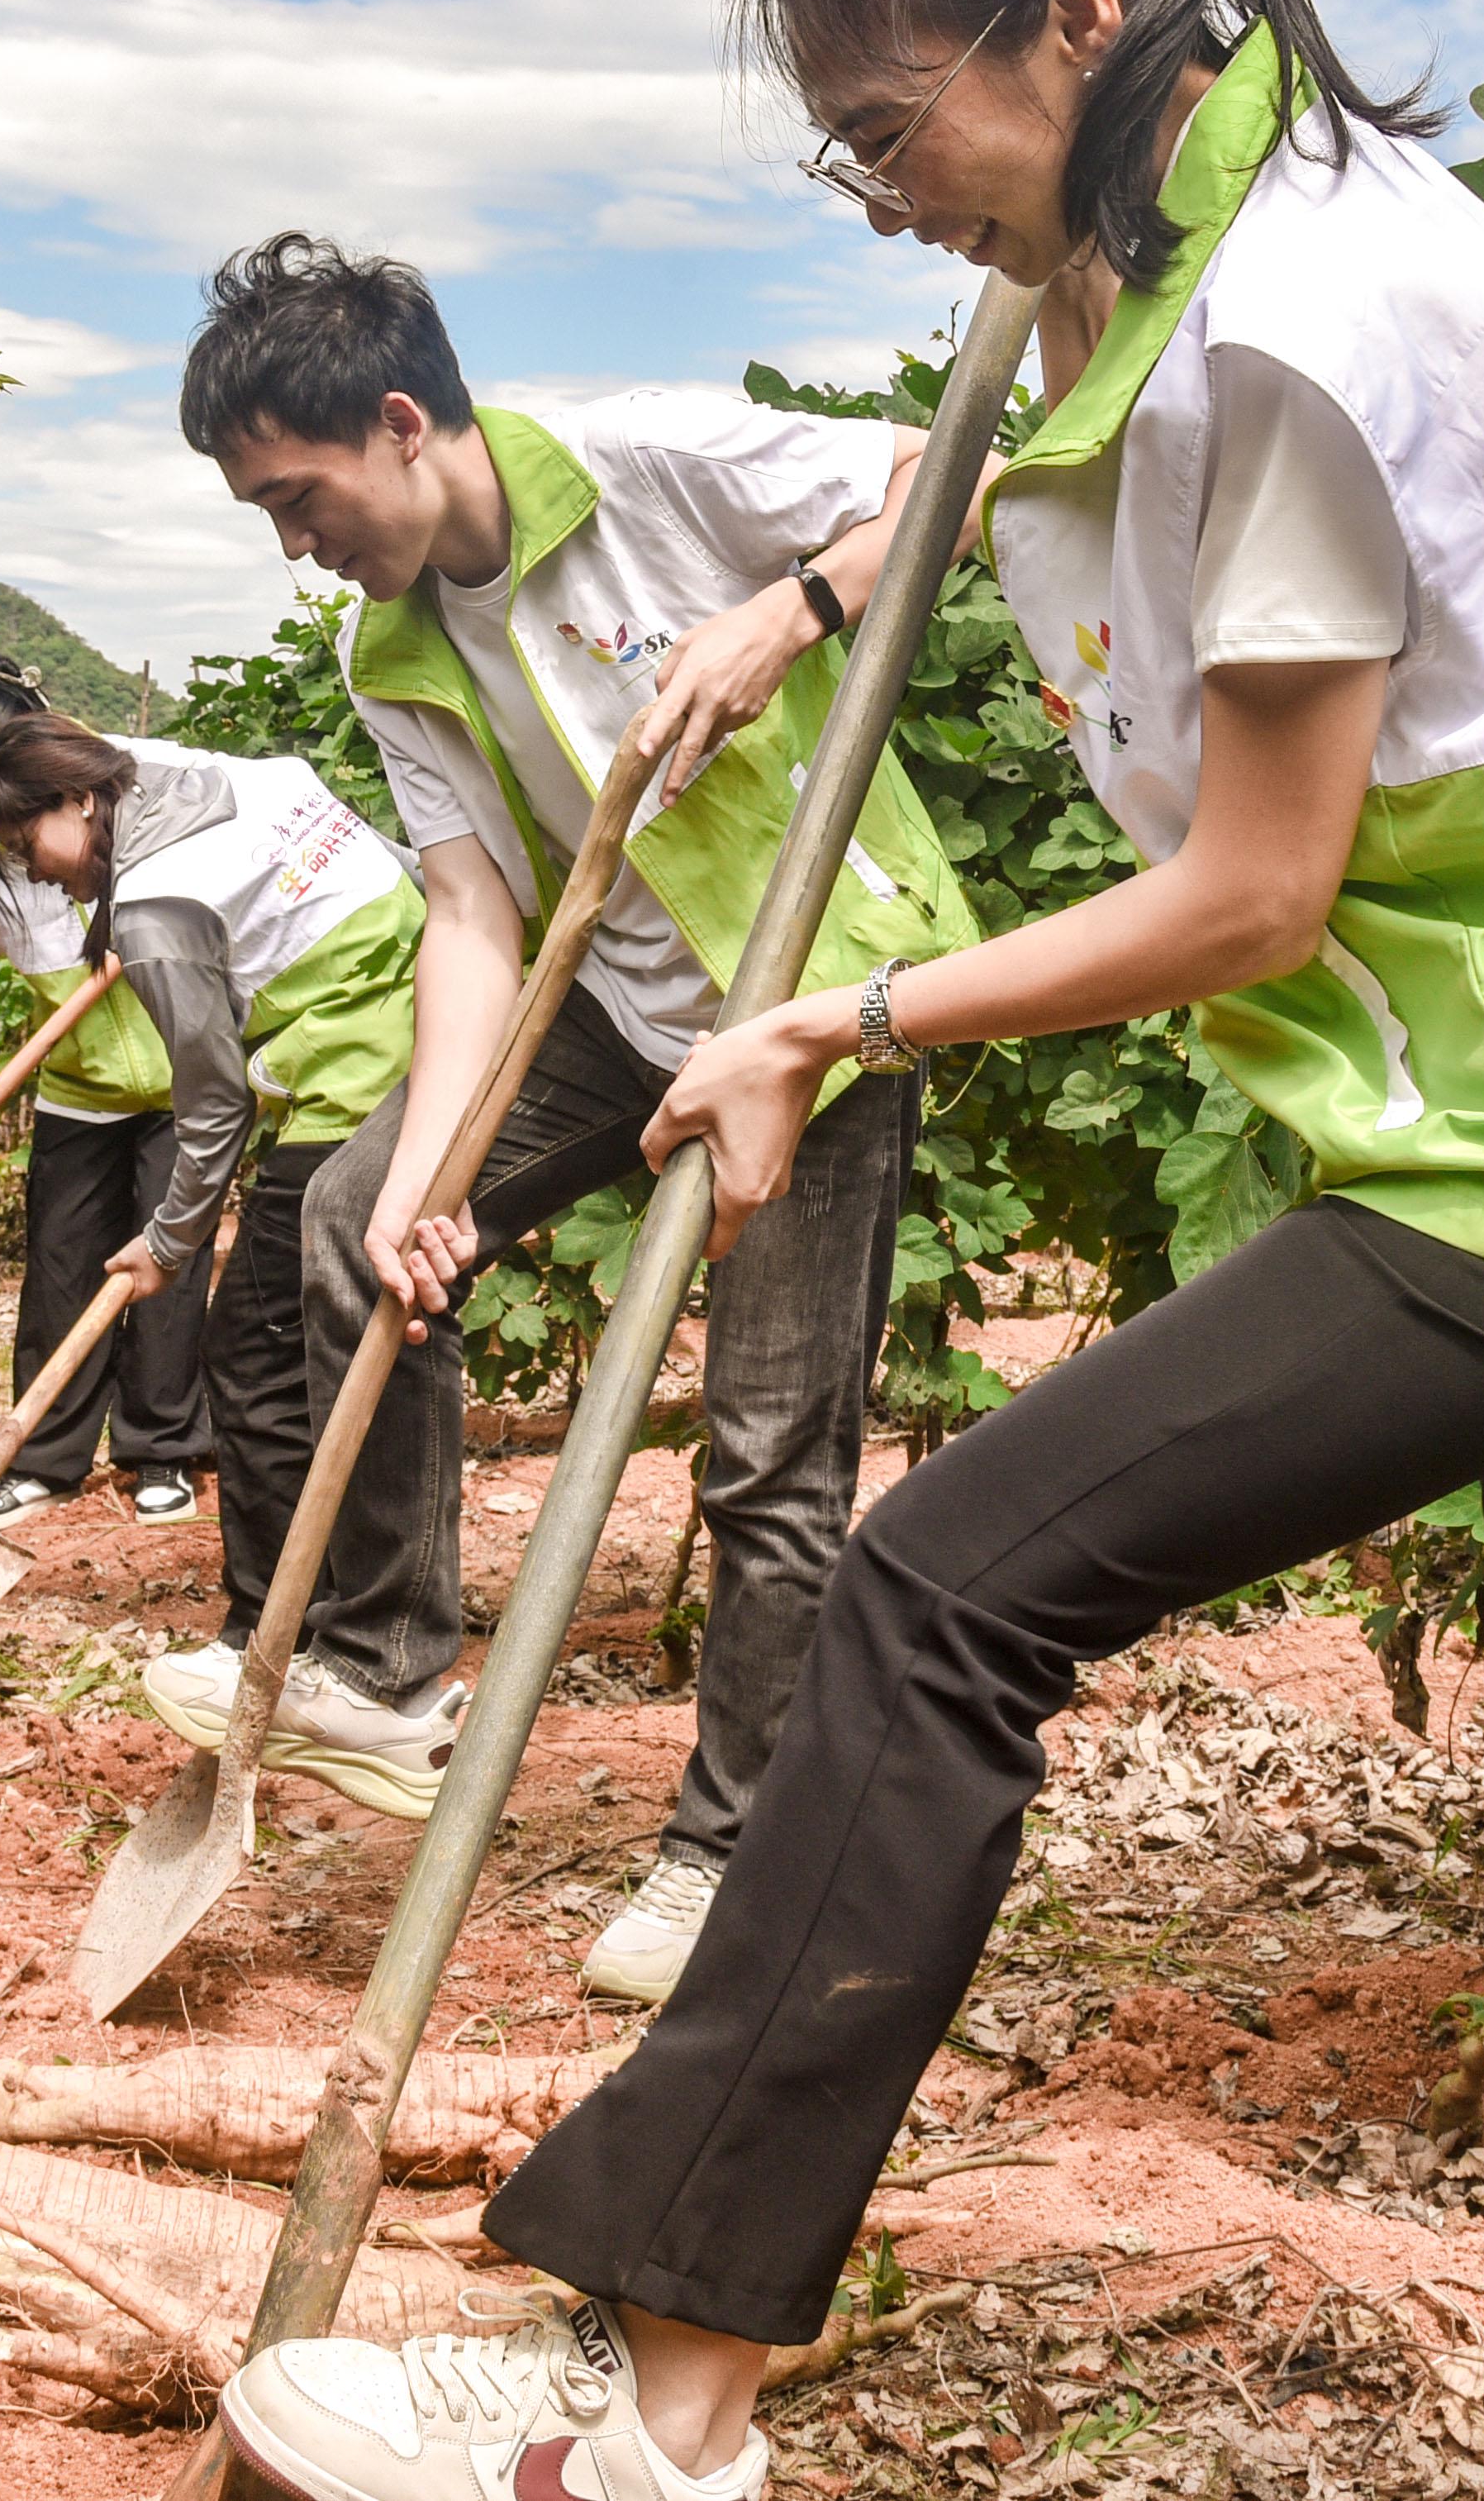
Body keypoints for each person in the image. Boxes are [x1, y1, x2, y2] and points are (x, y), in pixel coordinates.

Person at [216, 0, 1484, 2501]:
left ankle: (653, 2398)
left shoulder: (1298, 322)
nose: (876, 196)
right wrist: (907, 465)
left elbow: (1254, 896)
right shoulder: (1162, 262)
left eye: (889, 130)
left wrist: (829, 1023)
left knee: (932, 1593)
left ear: (1077, 19)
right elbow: (1020, 500)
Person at [161, 232, 980, 2002]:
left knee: (768, 1451)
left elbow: (954, 470)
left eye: (297, 497)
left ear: (400, 423)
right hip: (609, 1011)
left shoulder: (646, 460)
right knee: (353, 1221)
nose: (295, 544)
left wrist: (792, 608)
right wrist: (434, 1175)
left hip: (806, 1004)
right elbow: (470, 913)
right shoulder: (390, 654)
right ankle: (389, 1668)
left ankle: (726, 1857)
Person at [0, 701, 424, 1697]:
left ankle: (273, 1635)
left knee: (250, 1350)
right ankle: (318, 1618)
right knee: (314, 1344)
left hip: (357, 1072)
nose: (34, 872)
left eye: (26, 841)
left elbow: (211, 1103)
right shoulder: (227, 778)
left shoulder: (154, 906)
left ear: (78, 799)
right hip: (422, 1021)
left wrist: (165, 1243)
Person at [0, 658, 212, 1527]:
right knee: (61, 1267)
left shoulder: (140, 783)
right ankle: (43, 1456)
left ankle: (161, 1448)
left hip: (185, 1078)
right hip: (78, 1090)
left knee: (169, 1263)